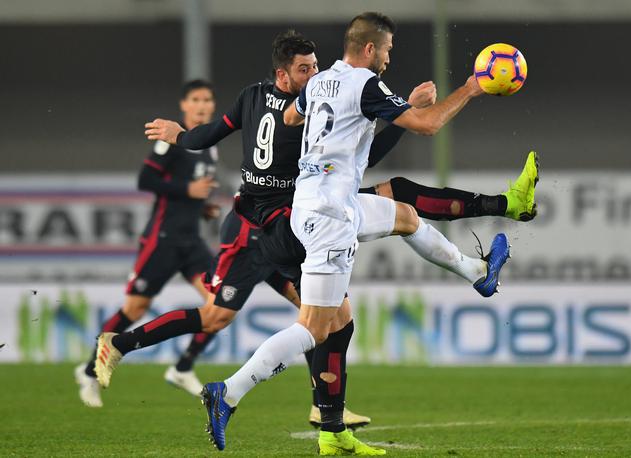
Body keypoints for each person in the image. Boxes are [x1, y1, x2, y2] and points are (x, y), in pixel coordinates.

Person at [95, 27, 535, 450]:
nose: (314, 72)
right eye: (305, 68)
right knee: (273, 321)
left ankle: (331, 424)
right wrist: (405, 117)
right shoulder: (307, 114)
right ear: (283, 74)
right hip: (268, 230)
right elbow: (363, 154)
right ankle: (215, 387)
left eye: (316, 65)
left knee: (370, 263)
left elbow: (220, 131)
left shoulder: (266, 95)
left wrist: (183, 137)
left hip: (292, 216)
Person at [74, 80, 221, 408]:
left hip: (192, 242)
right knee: (134, 309)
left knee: (220, 303)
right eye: (195, 99)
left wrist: (203, 206)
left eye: (207, 100)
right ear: (184, 105)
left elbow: (195, 189)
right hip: (163, 240)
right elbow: (146, 179)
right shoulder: (171, 139)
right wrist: (188, 191)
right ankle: (88, 371)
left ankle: (183, 367)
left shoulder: (209, 143)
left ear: (212, 106)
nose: (201, 105)